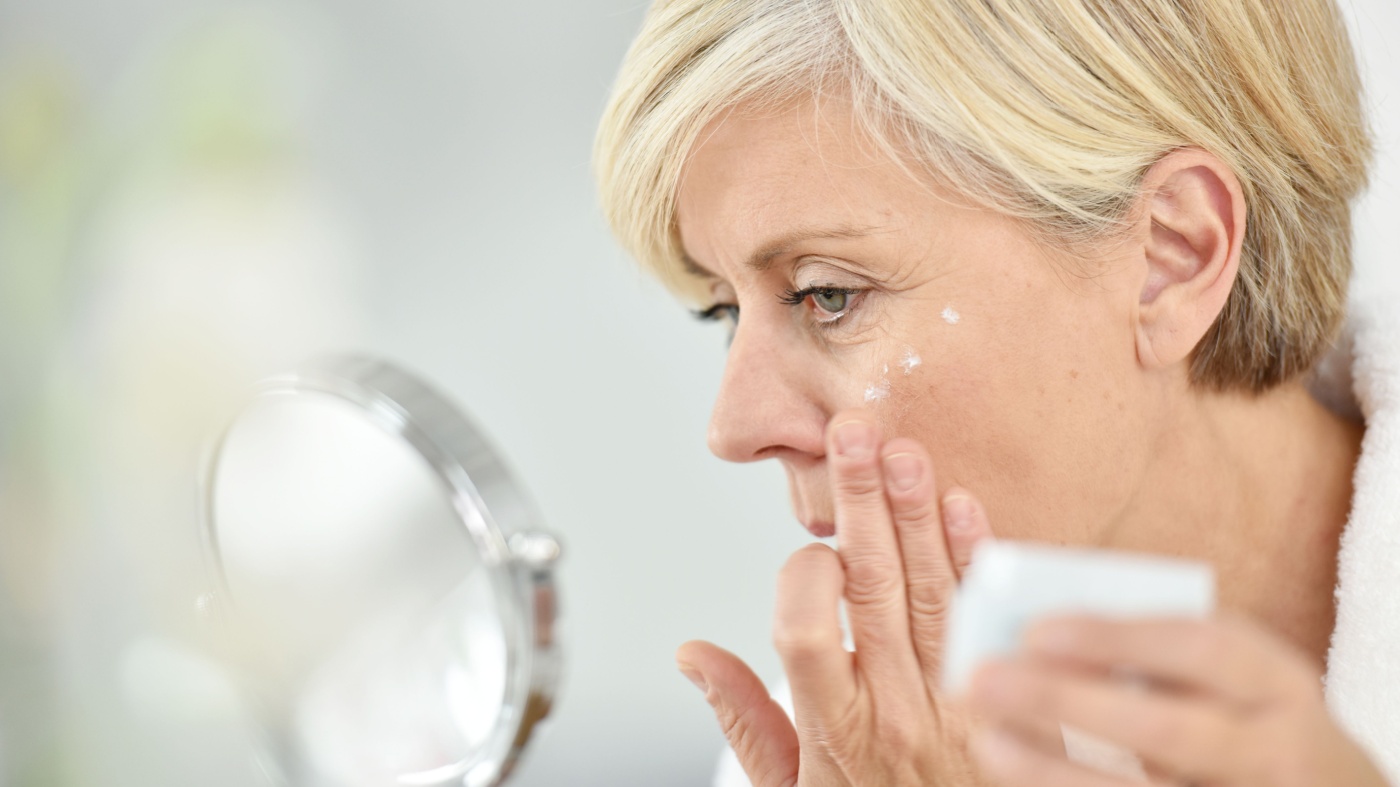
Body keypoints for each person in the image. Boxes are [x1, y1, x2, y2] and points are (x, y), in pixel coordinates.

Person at [593, 0, 1397, 784]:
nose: (734, 427)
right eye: (724, 312)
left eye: (827, 293)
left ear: (1172, 255)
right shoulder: (851, 757)